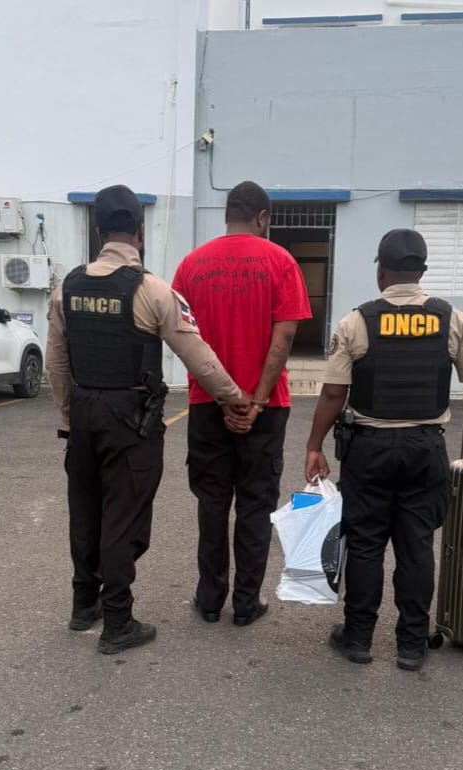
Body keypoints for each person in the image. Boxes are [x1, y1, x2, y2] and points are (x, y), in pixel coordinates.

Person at [46, 185, 250, 655]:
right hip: (130, 420)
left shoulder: (67, 289)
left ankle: (84, 604)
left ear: (98, 230)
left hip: (83, 412)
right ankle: (118, 621)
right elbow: (197, 356)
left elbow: (57, 363)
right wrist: (235, 397)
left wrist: (70, 415)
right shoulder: (153, 291)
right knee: (123, 518)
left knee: (85, 511)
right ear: (140, 230)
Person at [304, 228, 463, 671]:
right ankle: (412, 645)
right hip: (424, 449)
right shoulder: (453, 319)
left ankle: (358, 638)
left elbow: (333, 393)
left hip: (369, 450)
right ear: (422, 271)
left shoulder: (357, 321)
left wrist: (314, 446)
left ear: (381, 271)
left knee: (366, 545)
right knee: (416, 547)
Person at [172, 181, 312, 627]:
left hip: (206, 403)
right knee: (255, 504)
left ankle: (210, 599)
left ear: (227, 214)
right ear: (263, 217)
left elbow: (182, 338)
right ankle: (246, 603)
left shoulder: (191, 266)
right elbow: (285, 336)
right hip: (266, 409)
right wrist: (256, 400)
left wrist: (224, 397)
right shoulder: (282, 262)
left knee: (212, 503)